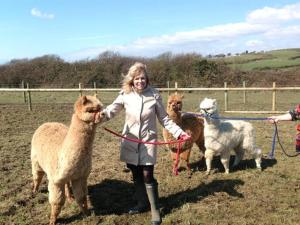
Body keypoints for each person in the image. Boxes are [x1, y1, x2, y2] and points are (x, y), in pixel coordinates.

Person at [101, 62, 190, 225]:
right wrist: (99, 116)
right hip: (130, 140)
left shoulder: (154, 95)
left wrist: (179, 132)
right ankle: (142, 203)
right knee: (135, 173)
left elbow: (164, 118)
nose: (140, 81)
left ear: (146, 79)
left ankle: (155, 210)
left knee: (147, 174)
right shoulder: (125, 94)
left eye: (142, 78)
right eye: (136, 78)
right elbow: (111, 110)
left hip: (148, 140)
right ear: (131, 80)